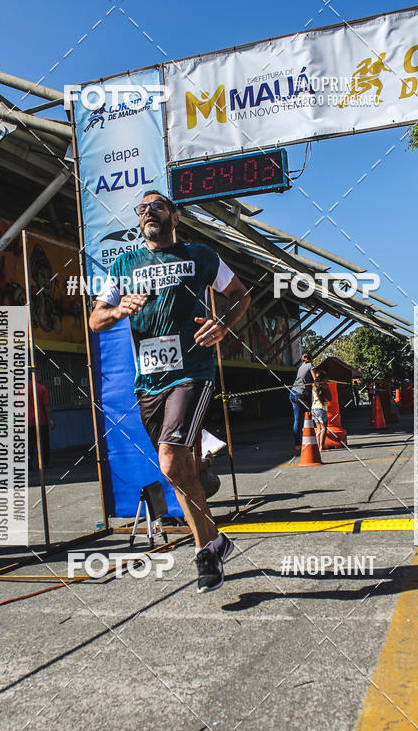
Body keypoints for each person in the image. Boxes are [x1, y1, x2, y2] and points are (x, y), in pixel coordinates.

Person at [89, 190, 250, 593]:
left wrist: (223, 324)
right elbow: (96, 319)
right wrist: (117, 310)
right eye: (142, 209)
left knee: (169, 462)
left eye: (157, 206)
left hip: (191, 371)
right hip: (148, 382)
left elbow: (240, 296)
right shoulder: (124, 264)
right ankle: (214, 528)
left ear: (174, 216)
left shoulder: (200, 255)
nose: (148, 211)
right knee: (180, 469)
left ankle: (204, 554)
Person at [28, 371, 55, 469]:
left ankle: (28, 463)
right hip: (41, 421)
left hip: (27, 422)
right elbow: (46, 405)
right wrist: (51, 419)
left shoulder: (22, 389)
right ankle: (44, 463)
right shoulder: (41, 388)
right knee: (43, 443)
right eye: (40, 375)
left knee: (29, 444)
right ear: (36, 376)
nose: (41, 377)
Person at [290, 351, 314, 452]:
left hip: (293, 393)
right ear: (311, 358)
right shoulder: (310, 365)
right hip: (302, 395)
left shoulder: (301, 366)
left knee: (297, 420)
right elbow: (316, 378)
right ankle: (314, 438)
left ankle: (297, 444)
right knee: (312, 413)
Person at [311, 368, 332, 452]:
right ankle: (322, 447)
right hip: (321, 408)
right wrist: (327, 387)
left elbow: (312, 398)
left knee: (318, 428)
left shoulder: (314, 386)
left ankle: (318, 446)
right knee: (324, 428)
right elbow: (330, 398)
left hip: (314, 408)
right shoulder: (325, 386)